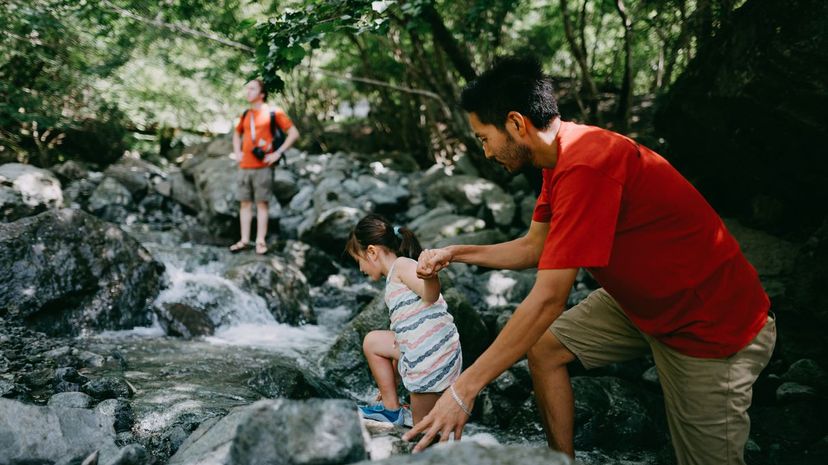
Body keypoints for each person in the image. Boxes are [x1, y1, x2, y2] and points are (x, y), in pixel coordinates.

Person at [404, 56, 776, 465]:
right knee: (544, 349)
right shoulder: (557, 158)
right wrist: (457, 253)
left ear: (516, 123)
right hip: (644, 305)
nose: (486, 151)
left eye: (483, 137)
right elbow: (535, 248)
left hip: (709, 328)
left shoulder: (585, 165)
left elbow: (549, 299)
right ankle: (560, 461)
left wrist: (464, 388)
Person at [346, 213, 463, 426]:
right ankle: (391, 408)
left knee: (424, 435)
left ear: (371, 252)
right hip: (423, 350)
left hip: (431, 357)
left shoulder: (402, 266)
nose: (360, 269)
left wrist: (429, 276)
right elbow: (403, 333)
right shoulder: (394, 276)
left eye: (358, 261)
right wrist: (395, 378)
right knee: (373, 341)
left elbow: (430, 295)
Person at [229, 78, 300, 255]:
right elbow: (237, 134)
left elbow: (294, 133)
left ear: (262, 94)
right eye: (247, 89)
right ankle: (244, 240)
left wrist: (278, 153)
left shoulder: (273, 113)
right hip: (244, 167)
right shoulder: (245, 114)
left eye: (252, 89)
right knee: (244, 203)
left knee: (262, 204)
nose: (248, 92)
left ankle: (260, 241)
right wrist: (237, 152)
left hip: (263, 167)